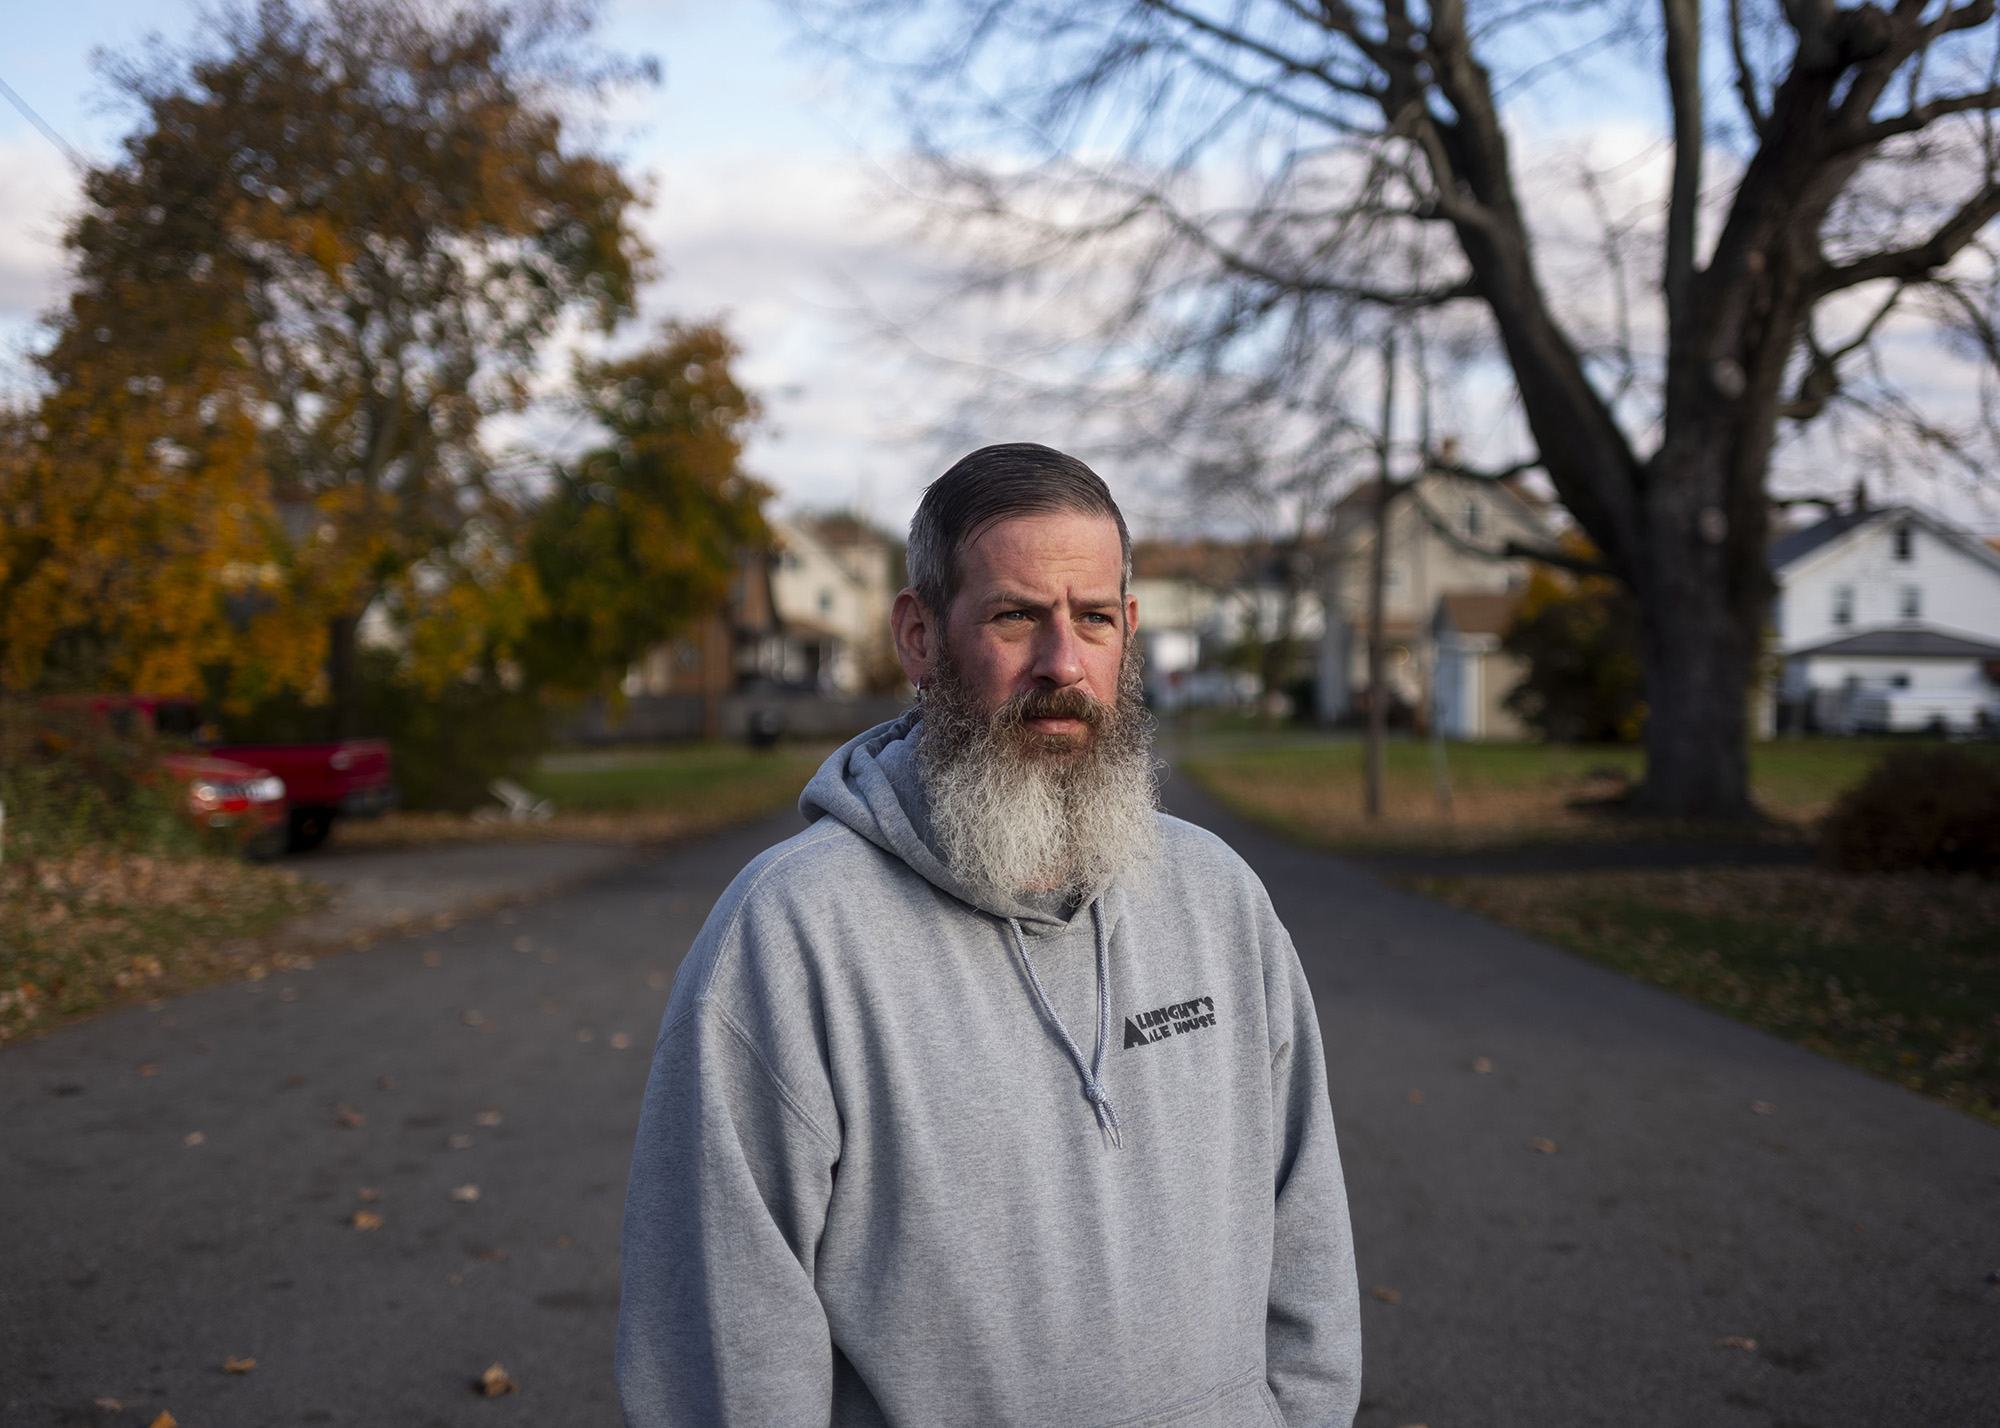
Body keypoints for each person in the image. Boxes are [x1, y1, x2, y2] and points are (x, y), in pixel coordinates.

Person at [616, 443, 1361, 1427]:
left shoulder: (1217, 897)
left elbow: (1302, 1227)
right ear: (919, 637)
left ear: (1126, 635)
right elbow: (723, 1342)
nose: (1062, 662)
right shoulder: (791, 935)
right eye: (1015, 616)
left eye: (1092, 618)